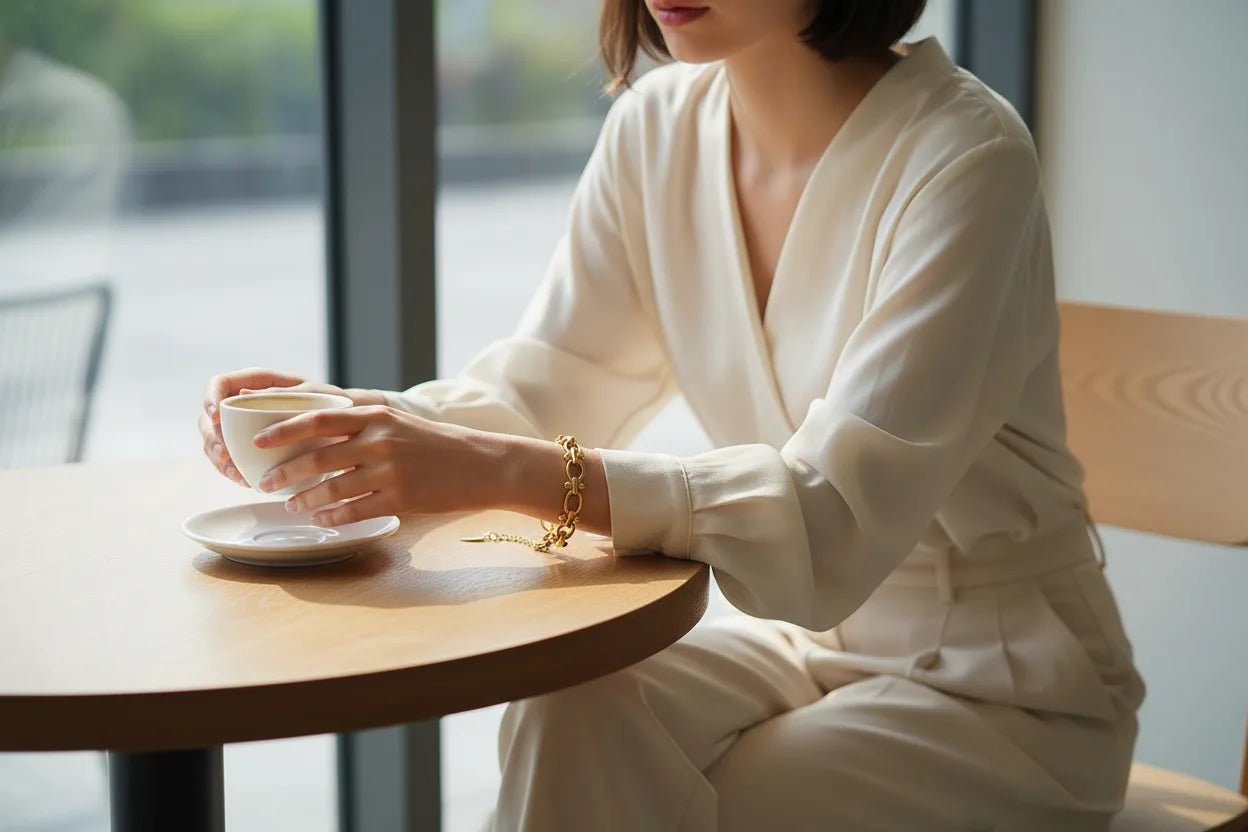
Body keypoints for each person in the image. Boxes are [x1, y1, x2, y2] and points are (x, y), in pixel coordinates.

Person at [199, 1, 1145, 828]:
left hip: (1009, 688)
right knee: (569, 712)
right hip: (805, 645)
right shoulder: (655, 131)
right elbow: (548, 386)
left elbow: (831, 513)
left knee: (696, 808)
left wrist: (501, 471)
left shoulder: (964, 156)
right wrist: (346, 428)